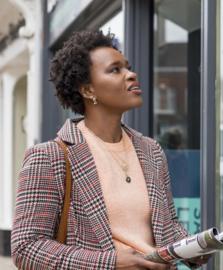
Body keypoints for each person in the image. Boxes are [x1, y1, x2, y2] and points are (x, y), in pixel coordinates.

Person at [11, 30, 209, 270]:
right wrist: (110, 263)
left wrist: (193, 247)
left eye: (128, 67)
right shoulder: (49, 157)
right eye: (115, 70)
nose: (132, 75)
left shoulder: (152, 151)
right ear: (88, 90)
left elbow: (166, 225)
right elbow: (27, 248)